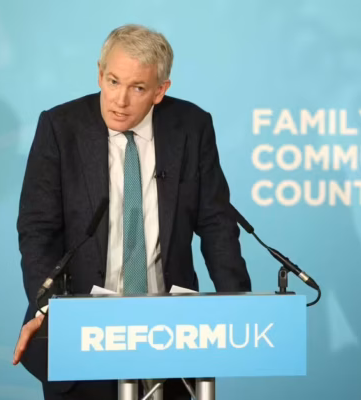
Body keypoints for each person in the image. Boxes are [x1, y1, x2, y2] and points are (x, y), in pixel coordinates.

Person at [13, 24, 251, 400]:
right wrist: (49, 309)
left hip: (171, 335)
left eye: (138, 88)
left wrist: (239, 307)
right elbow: (37, 230)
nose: (119, 100)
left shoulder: (191, 126)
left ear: (160, 90)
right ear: (100, 74)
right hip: (81, 334)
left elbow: (216, 222)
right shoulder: (61, 127)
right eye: (113, 82)